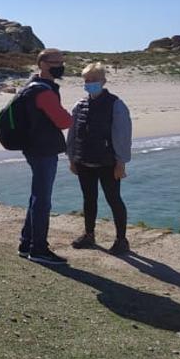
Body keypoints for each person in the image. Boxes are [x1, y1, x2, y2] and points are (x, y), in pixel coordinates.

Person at [67, 63, 132, 255]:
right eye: (86, 81)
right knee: (89, 199)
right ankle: (89, 234)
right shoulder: (79, 105)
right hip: (84, 161)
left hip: (108, 163)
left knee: (113, 199)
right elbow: (72, 134)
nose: (89, 84)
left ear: (103, 81)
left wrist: (121, 162)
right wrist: (72, 158)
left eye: (93, 80)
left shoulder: (116, 104)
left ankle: (121, 239)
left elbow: (122, 135)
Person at [17, 48, 74, 265]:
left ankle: (26, 243)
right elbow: (64, 122)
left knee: (36, 196)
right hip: (43, 149)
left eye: (61, 61)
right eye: (55, 62)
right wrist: (70, 115)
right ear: (42, 64)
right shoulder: (44, 92)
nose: (60, 65)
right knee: (42, 200)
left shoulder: (31, 86)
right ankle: (39, 249)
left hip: (33, 147)